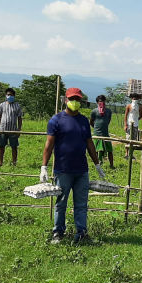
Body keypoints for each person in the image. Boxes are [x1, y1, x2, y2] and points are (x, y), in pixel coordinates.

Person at [41, 87, 106, 244]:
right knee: (61, 203)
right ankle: (58, 233)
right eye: (72, 99)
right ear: (66, 100)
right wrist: (44, 167)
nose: (75, 102)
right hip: (63, 170)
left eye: (77, 99)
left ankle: (81, 233)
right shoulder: (56, 120)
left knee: (81, 204)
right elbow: (49, 145)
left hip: (81, 170)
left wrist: (97, 164)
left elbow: (89, 144)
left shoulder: (83, 121)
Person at [0, 88, 23, 166]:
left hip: (13, 130)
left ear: (14, 96)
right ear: (6, 95)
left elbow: (19, 118)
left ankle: (14, 163)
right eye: (8, 95)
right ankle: (0, 162)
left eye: (11, 95)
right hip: (2, 130)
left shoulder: (17, 106)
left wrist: (19, 130)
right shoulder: (2, 105)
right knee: (1, 147)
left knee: (14, 147)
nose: (9, 96)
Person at [89, 94, 114, 169]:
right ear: (97, 102)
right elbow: (91, 122)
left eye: (103, 101)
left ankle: (111, 165)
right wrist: (96, 128)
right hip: (97, 133)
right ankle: (97, 165)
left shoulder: (108, 111)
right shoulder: (94, 111)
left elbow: (108, 120)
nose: (102, 102)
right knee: (96, 150)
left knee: (109, 150)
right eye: (100, 101)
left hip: (105, 133)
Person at [123, 93, 142, 158]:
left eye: (136, 98)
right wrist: (125, 124)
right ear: (131, 98)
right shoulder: (128, 106)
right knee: (128, 138)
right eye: (134, 98)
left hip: (135, 125)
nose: (135, 99)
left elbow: (140, 116)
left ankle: (131, 154)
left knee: (134, 139)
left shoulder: (139, 107)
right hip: (129, 124)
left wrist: (136, 120)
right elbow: (125, 116)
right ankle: (126, 153)